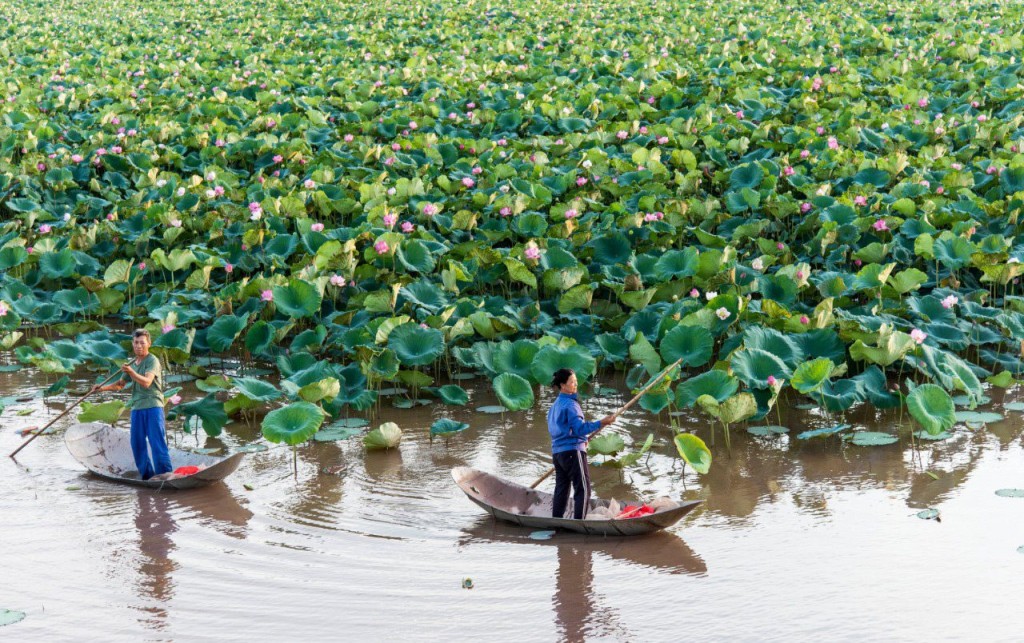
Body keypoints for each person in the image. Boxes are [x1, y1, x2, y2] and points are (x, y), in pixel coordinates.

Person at [92, 329, 171, 480]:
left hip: (153, 405)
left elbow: (147, 382)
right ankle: (148, 476)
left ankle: (165, 475)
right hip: (137, 407)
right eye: (136, 343)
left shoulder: (152, 360)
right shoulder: (131, 363)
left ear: (149, 343)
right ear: (132, 344)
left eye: (142, 343)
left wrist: (131, 372)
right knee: (137, 443)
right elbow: (121, 384)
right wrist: (102, 388)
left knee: (156, 443)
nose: (139, 346)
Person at [547, 368, 616, 519]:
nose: (576, 385)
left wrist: (582, 440)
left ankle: (556, 520)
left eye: (576, 382)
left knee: (562, 488)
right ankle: (580, 522)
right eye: (572, 382)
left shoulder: (554, 406)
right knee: (583, 490)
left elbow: (560, 431)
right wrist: (601, 422)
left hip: (558, 453)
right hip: (572, 452)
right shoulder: (571, 405)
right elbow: (579, 429)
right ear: (563, 385)